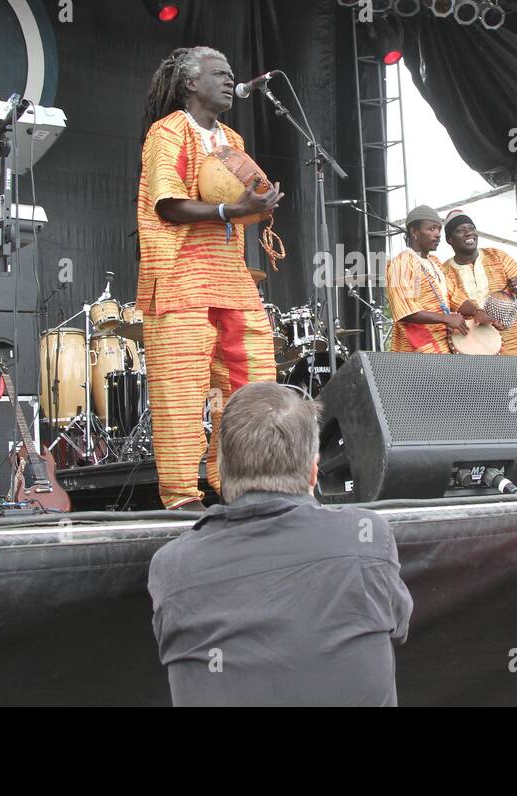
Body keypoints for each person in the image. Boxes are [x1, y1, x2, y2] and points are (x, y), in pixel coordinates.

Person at [147, 382, 414, 706]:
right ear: (315, 471)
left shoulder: (172, 566)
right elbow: (399, 627)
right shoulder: (367, 537)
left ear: (219, 470)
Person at [136, 46, 283, 511]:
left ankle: (243, 483)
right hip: (180, 280)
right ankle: (181, 496)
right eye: (218, 73)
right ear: (190, 84)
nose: (228, 79)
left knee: (252, 385)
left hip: (231, 279)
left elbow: (240, 202)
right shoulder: (167, 132)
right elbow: (167, 204)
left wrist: (257, 205)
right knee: (181, 392)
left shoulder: (232, 141)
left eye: (231, 73)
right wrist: (231, 210)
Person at [441, 209, 517, 356]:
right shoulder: (444, 271)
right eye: (460, 230)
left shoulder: (498, 257)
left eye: (471, 229)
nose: (468, 233)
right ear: (449, 239)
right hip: (473, 349)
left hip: (516, 345)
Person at [384, 205, 468, 353]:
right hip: (416, 349)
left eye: (439, 229)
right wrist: (446, 319)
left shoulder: (434, 262)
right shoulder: (402, 263)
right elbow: (405, 311)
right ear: (414, 231)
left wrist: (478, 311)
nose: (437, 234)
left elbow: (455, 296)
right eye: (431, 229)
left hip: (442, 344)